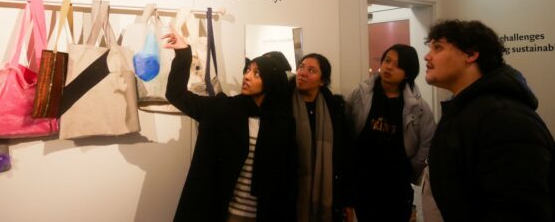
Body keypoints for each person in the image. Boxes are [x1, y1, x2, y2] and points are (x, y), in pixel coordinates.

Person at [424, 19, 555, 222]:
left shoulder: (504, 118)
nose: (427, 56)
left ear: (471, 54)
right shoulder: (465, 109)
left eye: (438, 47)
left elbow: (521, 209)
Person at [163, 27, 298, 222]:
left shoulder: (282, 124)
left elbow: (288, 178)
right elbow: (176, 94)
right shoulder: (222, 109)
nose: (247, 76)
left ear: (271, 81)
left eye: (257, 73)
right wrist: (184, 53)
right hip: (221, 214)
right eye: (248, 70)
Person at [347, 44, 435, 222]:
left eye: (397, 65)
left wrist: (411, 169)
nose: (389, 67)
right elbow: (347, 128)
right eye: (387, 60)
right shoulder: (361, 94)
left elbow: (426, 143)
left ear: (408, 72)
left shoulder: (419, 107)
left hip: (397, 184)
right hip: (363, 181)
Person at [291, 53, 352, 221]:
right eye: (301, 67)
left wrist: (347, 200)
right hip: (290, 194)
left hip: (329, 193)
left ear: (322, 80)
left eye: (311, 70)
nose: (302, 73)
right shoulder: (283, 105)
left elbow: (345, 157)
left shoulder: (336, 110)